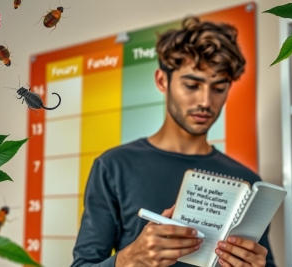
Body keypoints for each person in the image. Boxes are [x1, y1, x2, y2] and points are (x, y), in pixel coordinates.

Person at [71, 16, 276, 267]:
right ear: (162, 81)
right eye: (192, 85)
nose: (205, 101)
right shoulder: (113, 166)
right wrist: (128, 259)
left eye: (219, 88)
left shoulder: (248, 181)